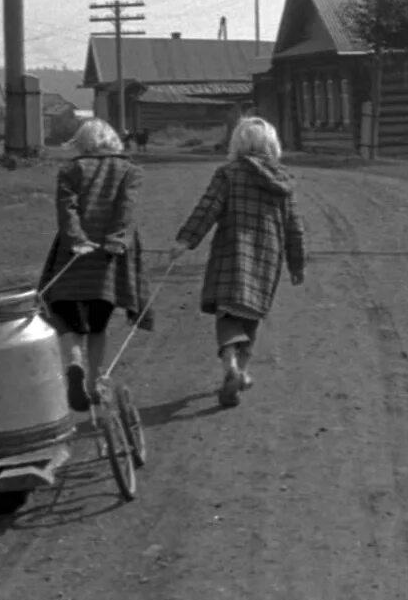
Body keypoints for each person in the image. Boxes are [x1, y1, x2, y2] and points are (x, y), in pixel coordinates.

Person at [168, 116, 305, 408]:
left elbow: (208, 208)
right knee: (252, 314)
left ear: (238, 143)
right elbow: (294, 226)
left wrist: (185, 241)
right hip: (267, 256)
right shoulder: (283, 181)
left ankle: (229, 363)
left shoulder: (228, 174)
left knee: (228, 313)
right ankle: (241, 372)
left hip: (231, 251)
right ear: (272, 144)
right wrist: (297, 263)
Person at [38, 118, 150, 412]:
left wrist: (76, 239)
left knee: (64, 315)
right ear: (114, 141)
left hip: (73, 255)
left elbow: (67, 208)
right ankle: (96, 381)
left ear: (83, 142)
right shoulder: (129, 170)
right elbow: (126, 207)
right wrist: (115, 238)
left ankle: (74, 362)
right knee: (98, 324)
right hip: (109, 258)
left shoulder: (71, 170)